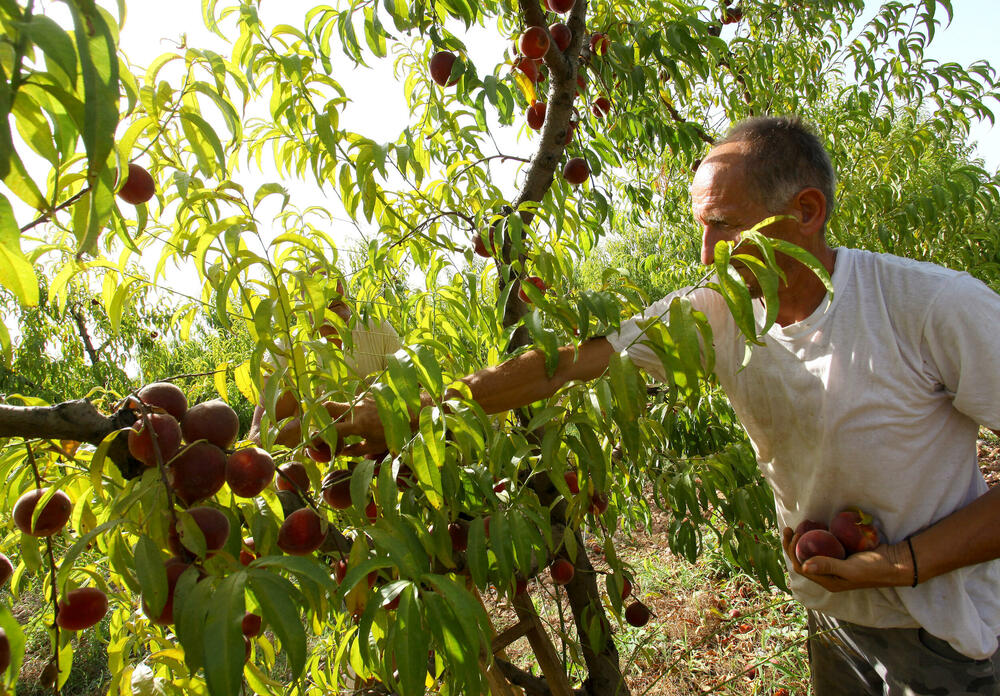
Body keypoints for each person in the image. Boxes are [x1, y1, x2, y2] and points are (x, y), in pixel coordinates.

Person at [317, 116, 1000, 694]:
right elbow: (565, 366)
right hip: (831, 618)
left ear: (806, 211)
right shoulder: (720, 313)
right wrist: (417, 408)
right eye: (700, 230)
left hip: (942, 632)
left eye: (723, 227)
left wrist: (902, 563)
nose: (706, 255)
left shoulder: (929, 307)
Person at [249, 273, 401, 447]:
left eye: (336, 280)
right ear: (301, 304)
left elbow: (414, 396)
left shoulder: (375, 327)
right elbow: (257, 438)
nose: (335, 289)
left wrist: (381, 413)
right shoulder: (286, 349)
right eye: (318, 284)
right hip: (320, 466)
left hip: (380, 457)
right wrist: (302, 429)